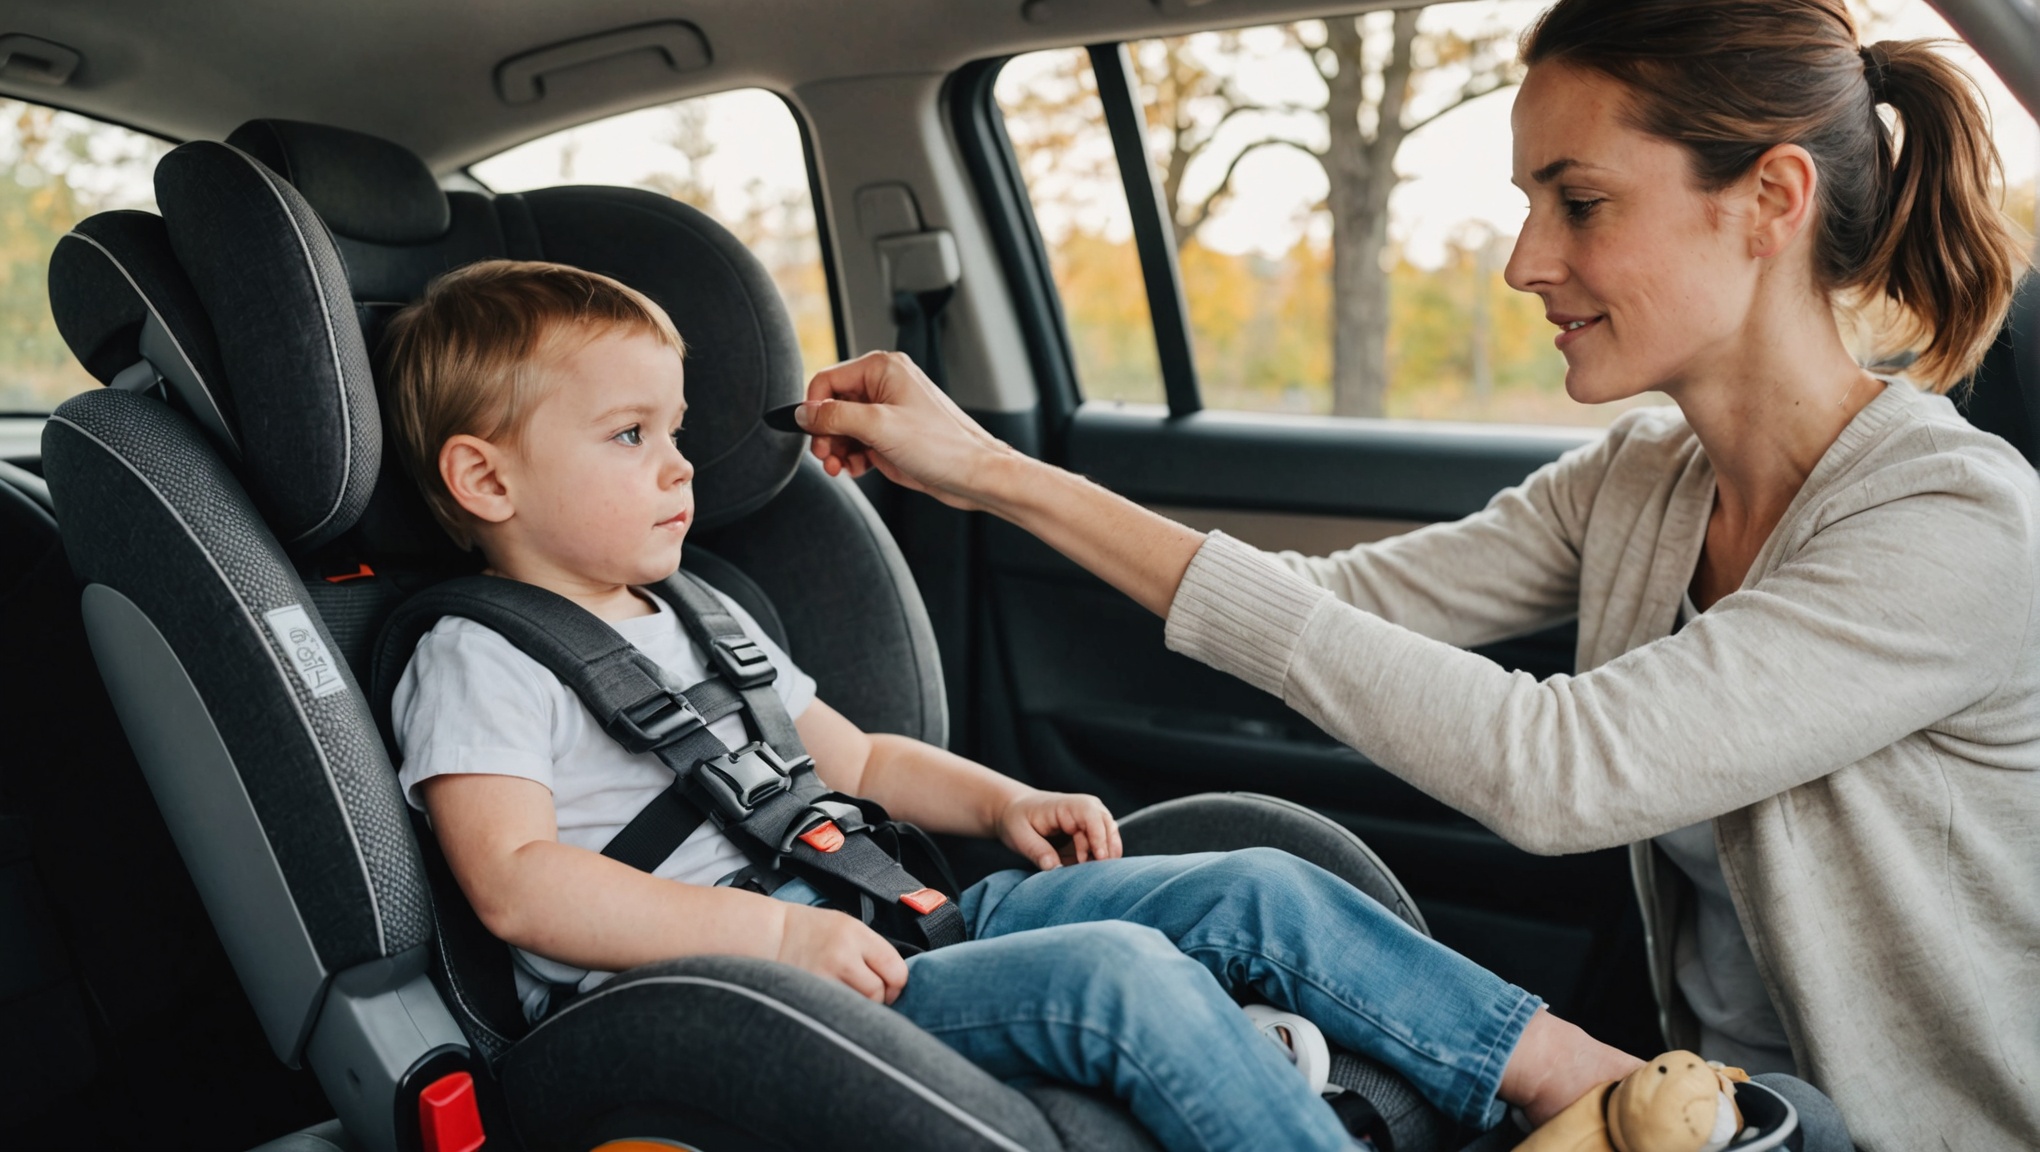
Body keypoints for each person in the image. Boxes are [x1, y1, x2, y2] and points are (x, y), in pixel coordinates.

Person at [790, 2, 2039, 1150]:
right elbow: (1329, 611)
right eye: (1527, 203)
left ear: (1770, 199)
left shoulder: (1948, 523)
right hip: (1694, 1108)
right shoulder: (1645, 479)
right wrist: (993, 474)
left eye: (1581, 202)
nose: (1525, 260)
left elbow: (1559, 768)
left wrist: (1006, 474)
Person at [378, 259, 1649, 1152]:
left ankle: (1566, 1082)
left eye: (677, 428)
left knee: (1253, 882)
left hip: (886, 920)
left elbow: (857, 757)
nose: (681, 462)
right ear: (485, 476)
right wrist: (774, 945)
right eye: (628, 436)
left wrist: (1001, 797)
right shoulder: (481, 657)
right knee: (1117, 971)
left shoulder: (699, 612)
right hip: (739, 993)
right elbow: (519, 885)